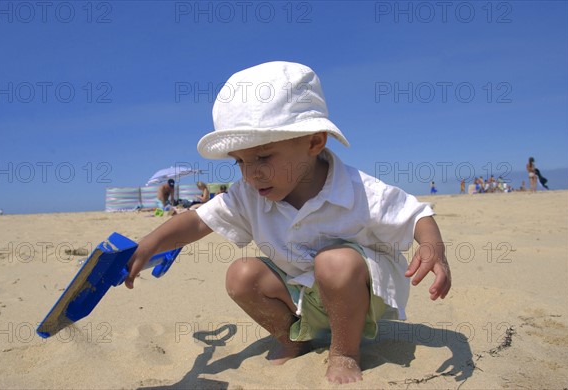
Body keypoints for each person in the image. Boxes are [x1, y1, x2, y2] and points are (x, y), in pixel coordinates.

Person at [124, 62, 451, 384]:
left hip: (359, 297)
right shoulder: (249, 195)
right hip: (303, 295)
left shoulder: (358, 190)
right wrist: (150, 244)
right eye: (241, 162)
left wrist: (431, 246)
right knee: (241, 274)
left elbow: (416, 213)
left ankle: (344, 352)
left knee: (333, 261)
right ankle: (293, 339)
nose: (252, 173)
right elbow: (197, 221)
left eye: (264, 157)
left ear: (313, 142)